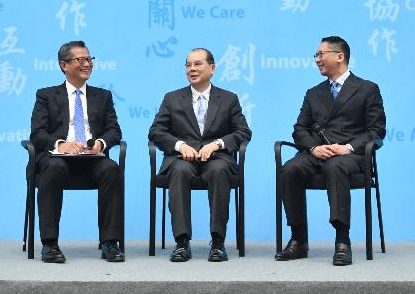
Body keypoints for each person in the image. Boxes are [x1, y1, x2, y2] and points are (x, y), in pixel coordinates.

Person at [275, 36, 386, 266]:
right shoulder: (313, 93)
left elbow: (376, 131)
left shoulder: (367, 89)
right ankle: (298, 239)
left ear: (339, 56)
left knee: (336, 167)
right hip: (316, 153)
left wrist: (347, 147)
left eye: (320, 54)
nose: (317, 60)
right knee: (290, 169)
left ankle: (342, 240)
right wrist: (314, 147)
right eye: (316, 55)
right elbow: (299, 129)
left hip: (350, 156)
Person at [148, 48, 252, 262]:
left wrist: (217, 144)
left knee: (220, 170)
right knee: (179, 170)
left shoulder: (229, 98)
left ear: (212, 68)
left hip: (217, 159)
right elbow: (156, 132)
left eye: (197, 64)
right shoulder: (172, 98)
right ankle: (182, 242)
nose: (192, 69)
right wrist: (179, 145)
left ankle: (217, 241)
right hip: (181, 159)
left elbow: (243, 131)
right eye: (188, 65)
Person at [29, 40, 124, 263]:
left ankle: (110, 243)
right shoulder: (46, 95)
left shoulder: (103, 96)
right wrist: (61, 145)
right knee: (53, 167)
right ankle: (50, 244)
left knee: (111, 169)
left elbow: (114, 131)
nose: (87, 64)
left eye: (89, 59)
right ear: (64, 65)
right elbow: (37, 133)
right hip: (58, 159)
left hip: (91, 160)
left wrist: (100, 143)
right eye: (81, 60)